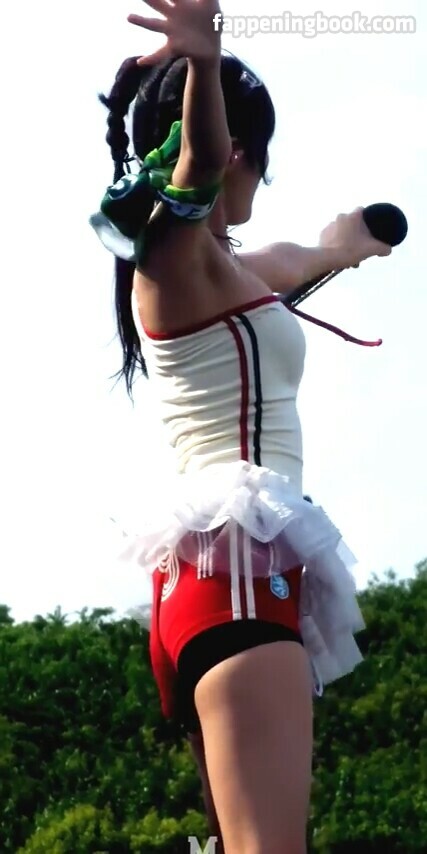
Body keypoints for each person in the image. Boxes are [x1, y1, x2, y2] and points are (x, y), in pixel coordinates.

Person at [92, 2, 392, 851]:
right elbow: (194, 169)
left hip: (211, 583)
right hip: (239, 574)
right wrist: (202, 63)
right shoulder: (169, 257)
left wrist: (345, 246)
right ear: (238, 153)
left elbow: (289, 263)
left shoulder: (218, 270)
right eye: (258, 154)